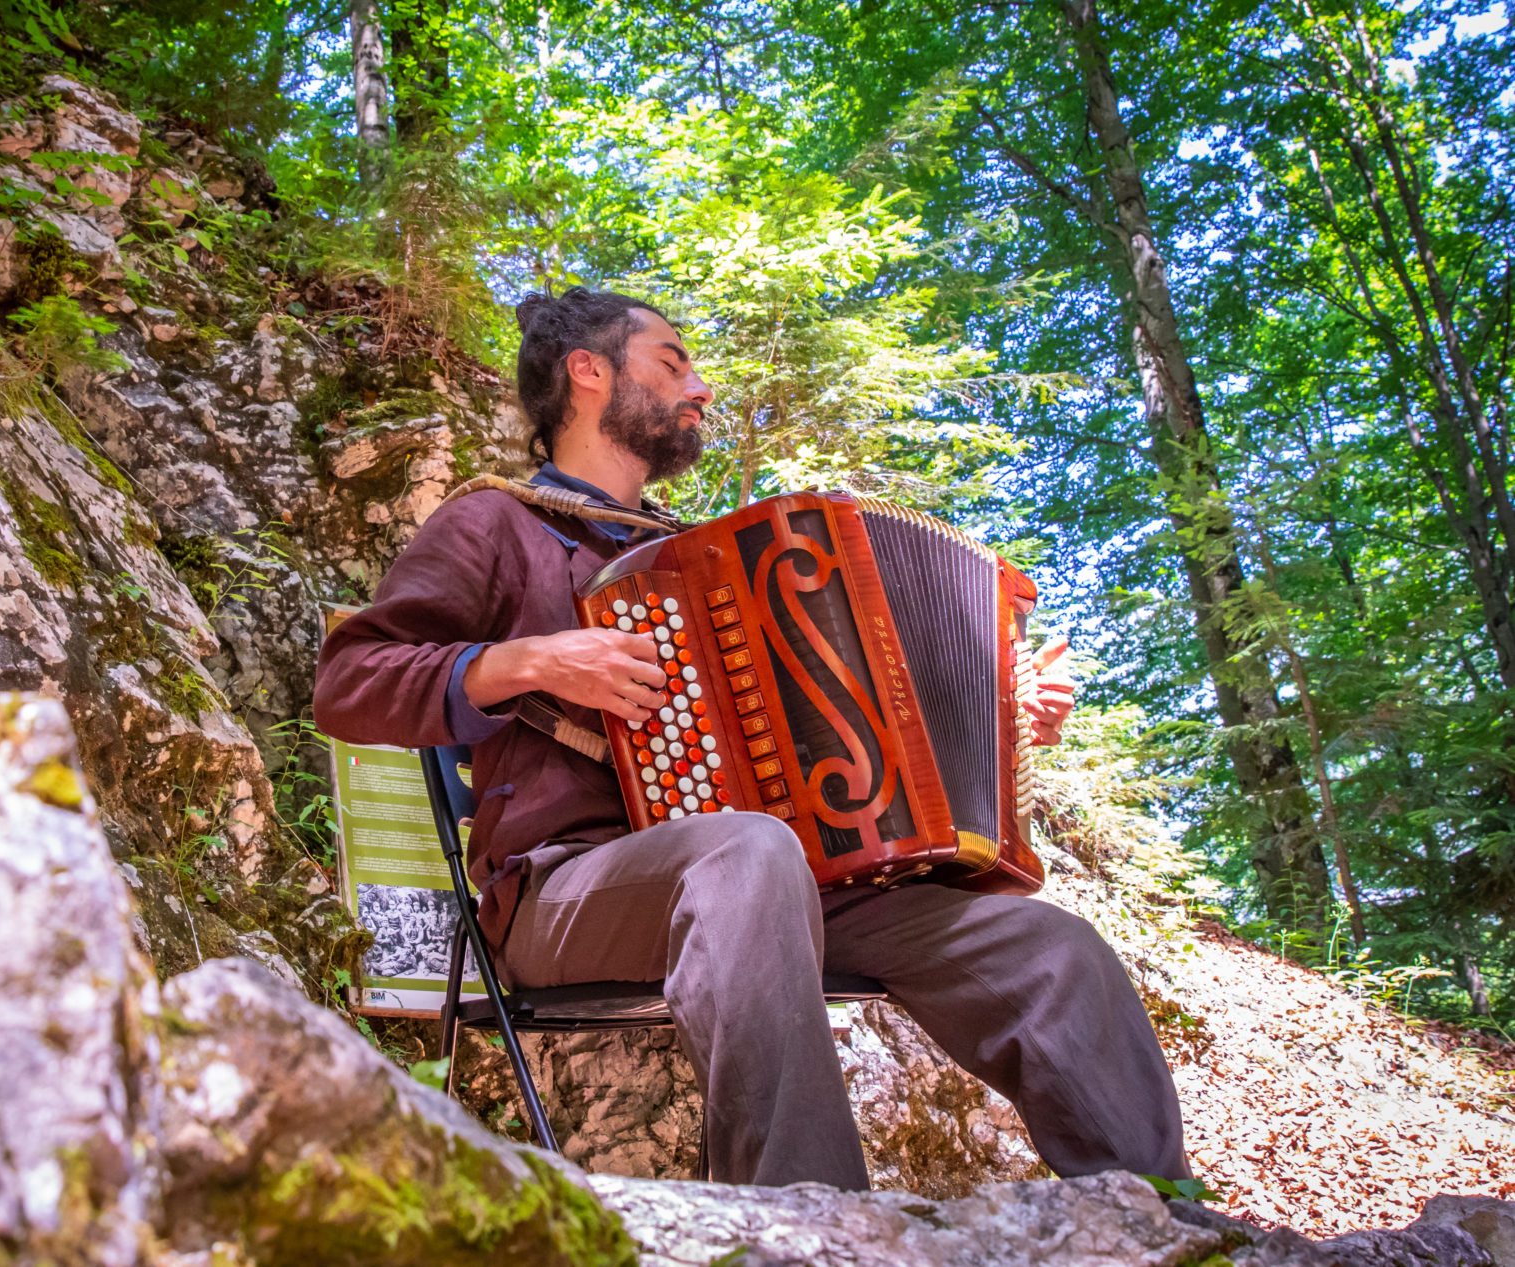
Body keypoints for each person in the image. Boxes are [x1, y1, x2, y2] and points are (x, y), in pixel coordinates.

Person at [313, 287, 1190, 1190]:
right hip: (562, 889)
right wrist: (528, 659)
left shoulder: (709, 558)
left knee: (1049, 950)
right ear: (588, 372)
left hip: (778, 887)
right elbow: (348, 683)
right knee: (749, 852)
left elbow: (850, 735)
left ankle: (1167, 1223)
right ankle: (811, 1227)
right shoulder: (496, 523)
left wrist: (1007, 715)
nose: (700, 386)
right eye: (672, 362)